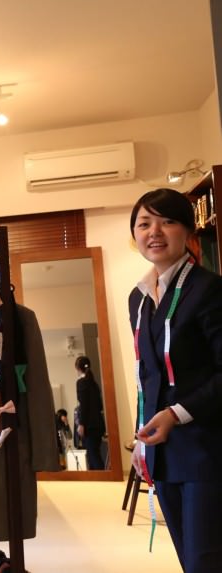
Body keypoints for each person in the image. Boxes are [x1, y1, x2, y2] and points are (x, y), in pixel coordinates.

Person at [129, 188, 222, 572]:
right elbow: (147, 374)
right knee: (188, 558)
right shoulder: (138, 298)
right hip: (163, 451)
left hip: (207, 447)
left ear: (188, 231)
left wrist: (175, 414)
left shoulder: (209, 289)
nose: (154, 232)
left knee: (206, 559)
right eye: (144, 224)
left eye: (167, 221)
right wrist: (141, 438)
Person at [74, 355, 105, 470]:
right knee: (94, 455)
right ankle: (100, 478)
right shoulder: (94, 384)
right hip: (98, 424)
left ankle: (103, 478)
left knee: (93, 456)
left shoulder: (81, 382)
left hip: (89, 426)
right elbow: (99, 406)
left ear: (78, 368)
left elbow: (84, 404)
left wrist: (81, 424)